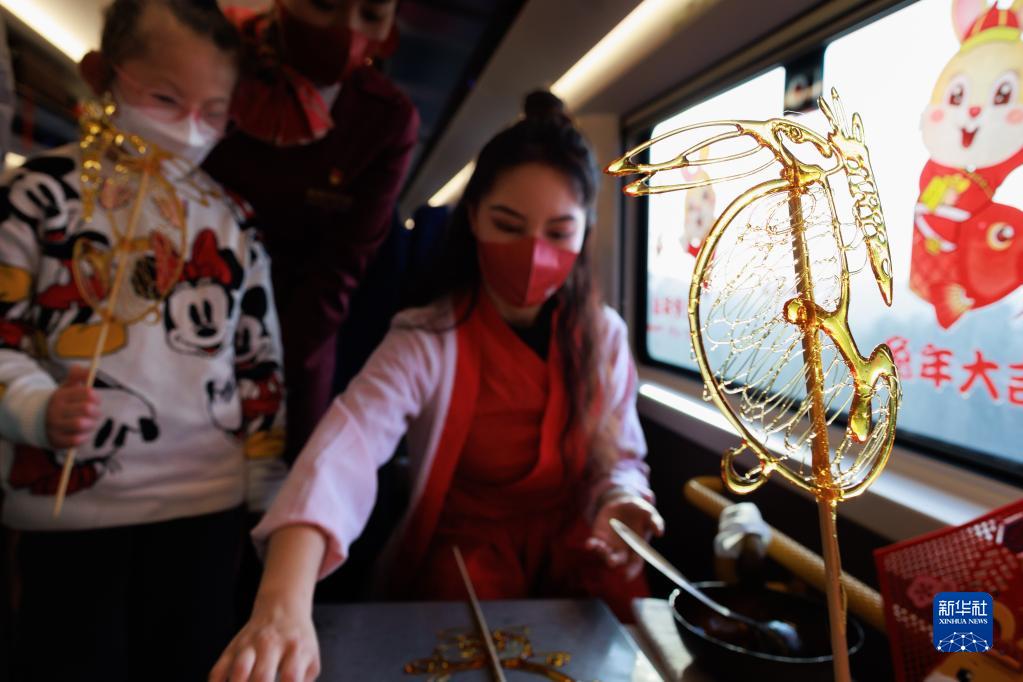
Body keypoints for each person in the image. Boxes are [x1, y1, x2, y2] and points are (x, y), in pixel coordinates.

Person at [210, 91, 664, 682]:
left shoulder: (604, 337)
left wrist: (620, 500)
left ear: (586, 234)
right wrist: (283, 601)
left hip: (581, 546)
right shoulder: (428, 338)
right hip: (466, 557)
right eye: (508, 225)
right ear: (472, 217)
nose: (533, 255)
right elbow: (345, 449)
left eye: (559, 232)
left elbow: (620, 455)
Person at [0, 1, 286, 679]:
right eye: (164, 98)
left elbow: (258, 364)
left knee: (192, 661)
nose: (189, 127)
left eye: (213, 112)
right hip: (69, 510)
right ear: (103, 74)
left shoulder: (231, 218)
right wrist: (36, 408)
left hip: (206, 504)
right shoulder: (38, 195)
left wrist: (265, 492)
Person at [203, 0, 419, 458]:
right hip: (186, 294)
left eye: (371, 15)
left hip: (295, 338)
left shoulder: (386, 120)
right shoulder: (214, 60)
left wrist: (265, 364)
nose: (347, 30)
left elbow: (338, 271)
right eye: (324, 4)